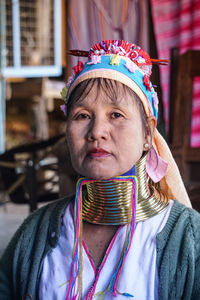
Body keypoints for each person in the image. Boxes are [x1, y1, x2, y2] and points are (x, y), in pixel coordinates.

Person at [0, 40, 200, 300]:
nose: (96, 132)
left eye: (116, 114)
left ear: (148, 133)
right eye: (82, 115)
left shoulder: (188, 240)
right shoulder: (35, 233)